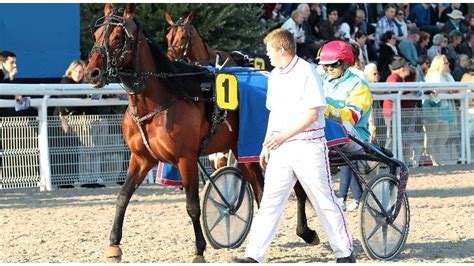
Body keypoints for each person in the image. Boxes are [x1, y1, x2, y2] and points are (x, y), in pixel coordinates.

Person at [233, 28, 355, 263]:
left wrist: (281, 137)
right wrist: (266, 145)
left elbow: (312, 114)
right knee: (270, 201)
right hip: (282, 148)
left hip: (308, 146)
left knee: (323, 200)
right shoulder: (276, 76)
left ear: (282, 50)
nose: (267, 55)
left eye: (269, 50)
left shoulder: (307, 72)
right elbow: (274, 114)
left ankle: (344, 252)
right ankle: (253, 255)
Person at [422, 55, 456, 166]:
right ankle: (429, 160)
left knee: (443, 135)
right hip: (432, 109)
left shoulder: (447, 75)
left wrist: (447, 90)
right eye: (445, 62)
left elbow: (455, 88)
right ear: (439, 64)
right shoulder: (434, 75)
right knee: (431, 135)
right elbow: (435, 90)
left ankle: (435, 158)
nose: (448, 64)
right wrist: (447, 90)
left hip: (444, 108)